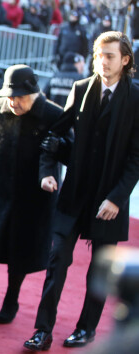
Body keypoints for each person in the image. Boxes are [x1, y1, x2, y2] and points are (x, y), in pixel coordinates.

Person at [24, 31, 139, 351]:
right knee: (56, 259)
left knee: (99, 270)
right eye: (98, 55)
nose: (102, 62)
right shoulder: (81, 88)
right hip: (73, 196)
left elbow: (136, 157)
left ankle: (86, 328)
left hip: (109, 199)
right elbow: (52, 138)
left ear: (125, 60)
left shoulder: (136, 98)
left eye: (110, 56)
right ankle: (42, 330)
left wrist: (117, 198)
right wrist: (47, 173)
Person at [0, 64, 64, 325]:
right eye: (9, 95)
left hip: (32, 199)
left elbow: (65, 155)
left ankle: (11, 300)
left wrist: (56, 158)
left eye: (18, 97)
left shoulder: (53, 115)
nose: (13, 102)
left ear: (33, 94)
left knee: (19, 252)